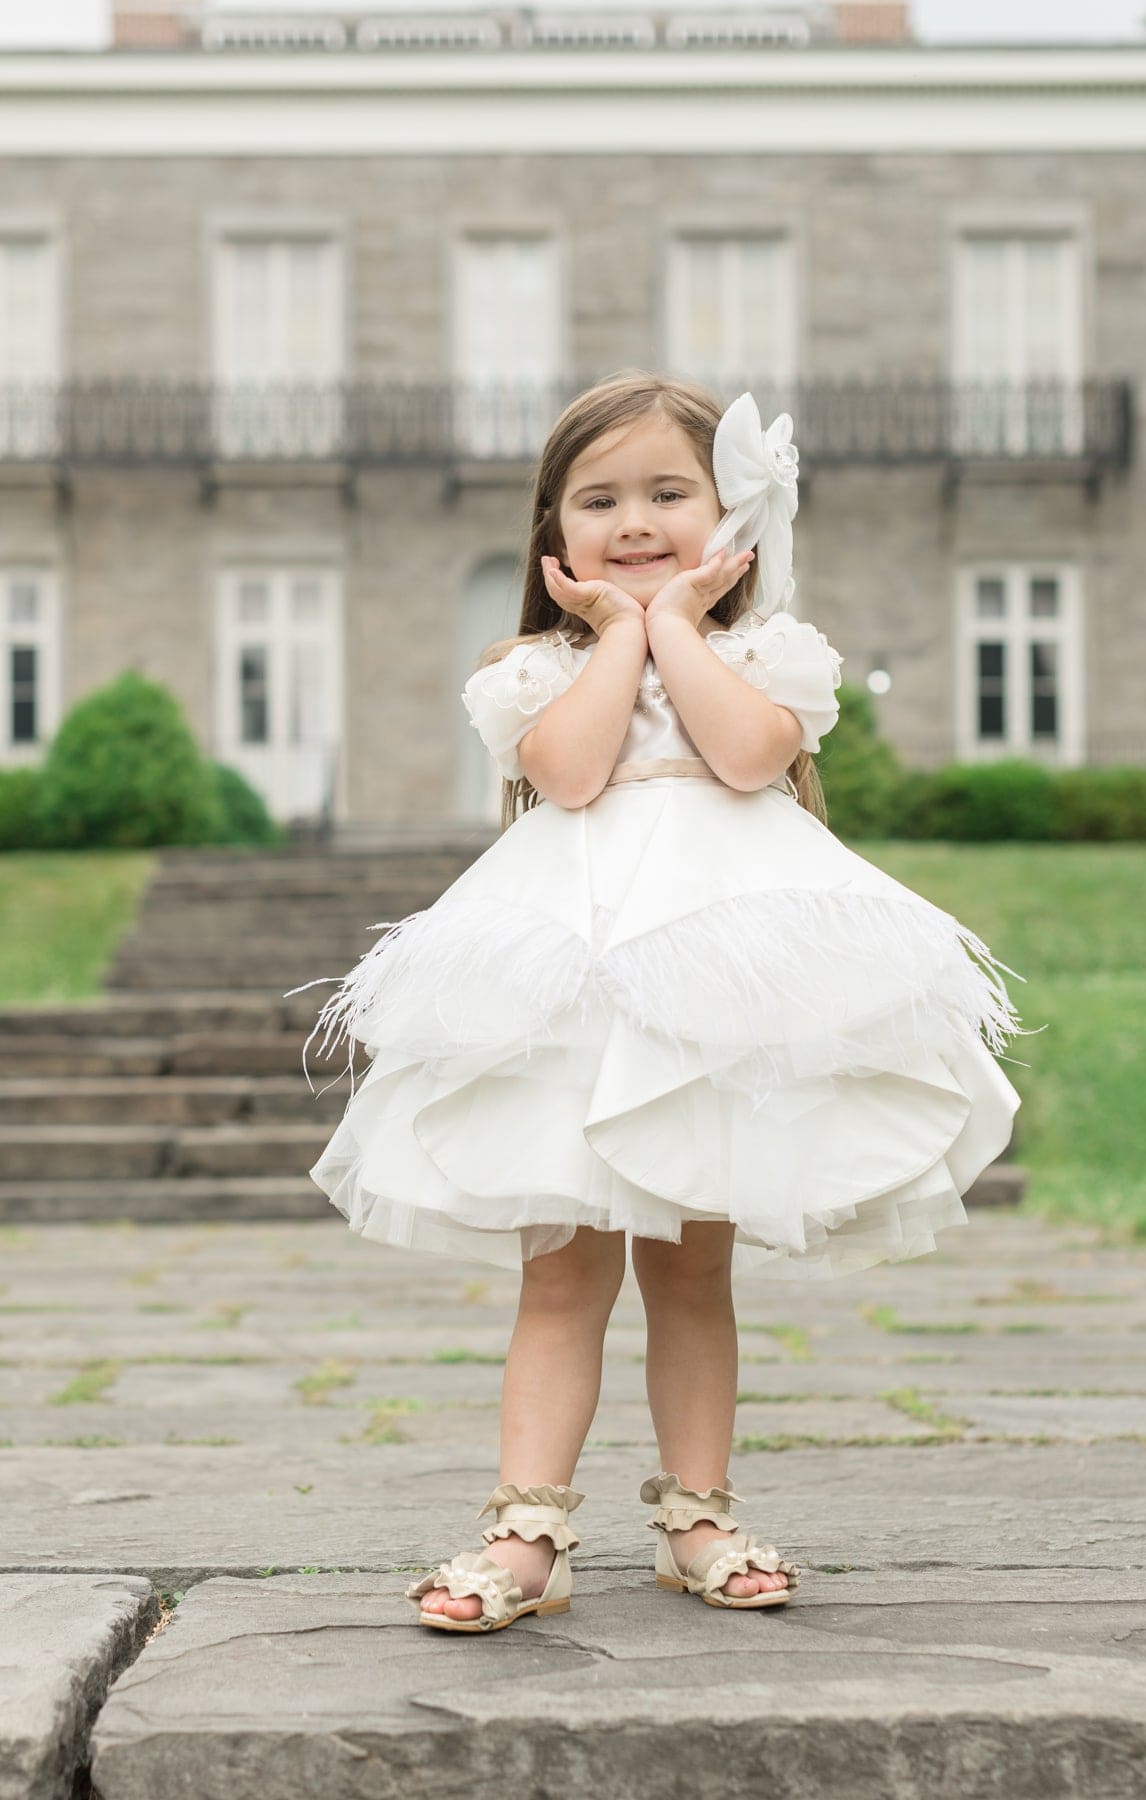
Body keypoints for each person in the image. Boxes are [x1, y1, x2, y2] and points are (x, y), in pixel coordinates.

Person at [291, 370, 1031, 1633]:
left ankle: (697, 1512)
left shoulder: (772, 656)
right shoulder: (534, 671)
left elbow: (748, 757)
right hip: (574, 982)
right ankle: (528, 1529)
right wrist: (621, 635)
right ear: (554, 535)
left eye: (667, 493)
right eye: (599, 500)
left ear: (728, 518)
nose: (633, 521)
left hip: (715, 998)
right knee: (562, 1276)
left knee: (694, 1272)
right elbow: (572, 779)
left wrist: (679, 623)